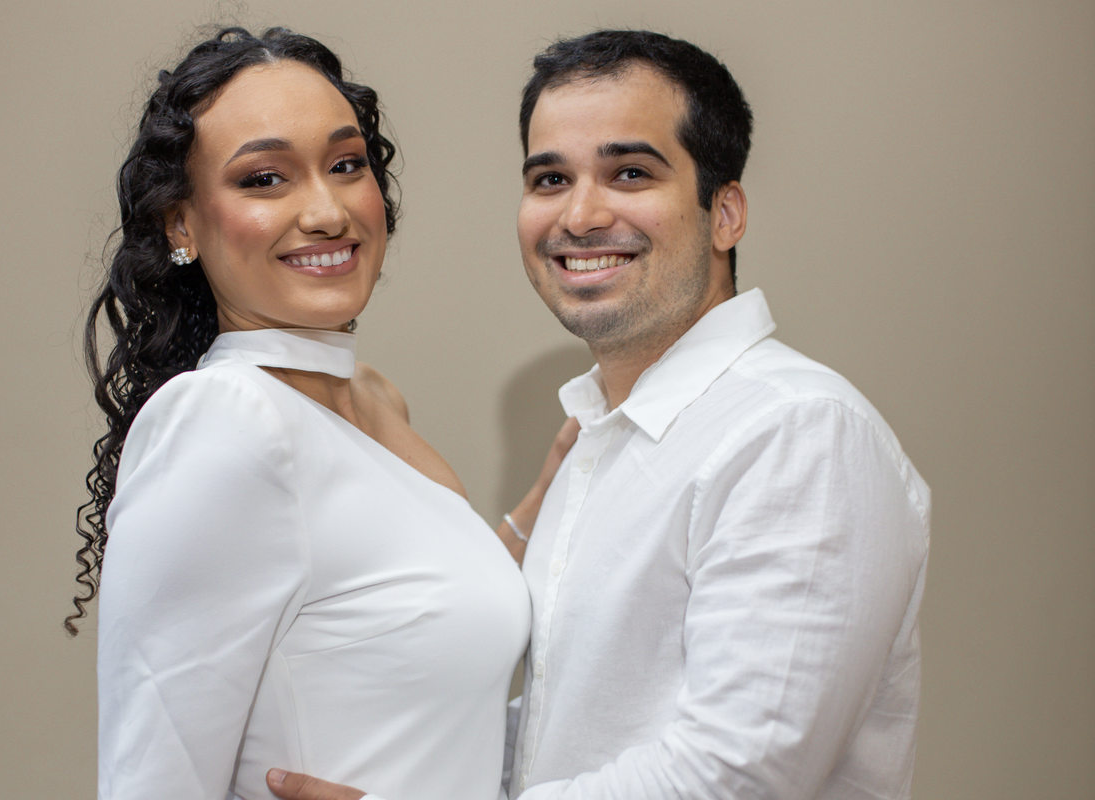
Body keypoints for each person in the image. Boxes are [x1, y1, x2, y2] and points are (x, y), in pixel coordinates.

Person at [266, 29, 930, 800]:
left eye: (630, 173)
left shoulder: (796, 433)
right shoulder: (600, 444)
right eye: (550, 179)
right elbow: (561, 735)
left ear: (725, 213)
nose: (579, 216)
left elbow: (739, 772)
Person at [68, 27, 573, 800]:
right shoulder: (226, 419)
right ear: (181, 224)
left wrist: (539, 505)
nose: (327, 211)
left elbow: (400, 624)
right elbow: (148, 780)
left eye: (345, 165)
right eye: (265, 179)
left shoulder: (374, 399)